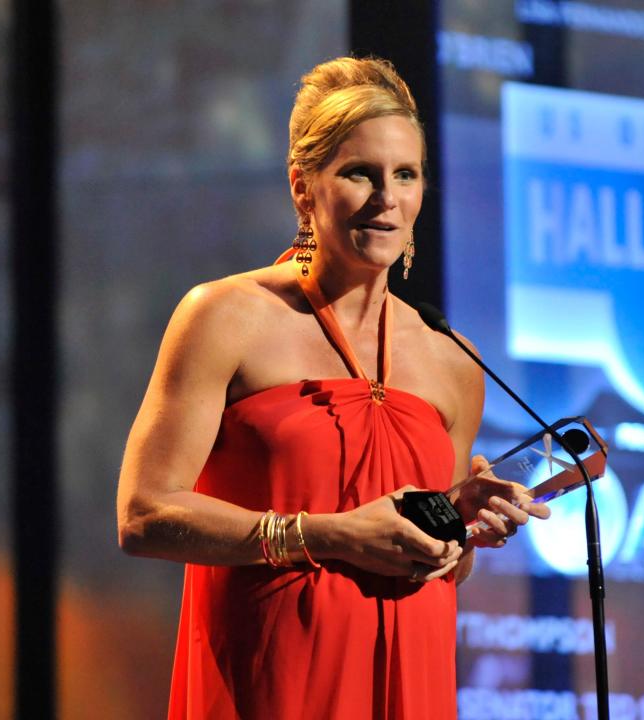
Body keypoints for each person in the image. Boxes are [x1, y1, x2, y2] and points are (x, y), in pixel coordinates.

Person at [116, 56, 550, 720]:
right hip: (271, 679)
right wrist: (327, 534)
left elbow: (442, 566)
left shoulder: (452, 358)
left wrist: (459, 524)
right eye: (360, 174)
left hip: (411, 680)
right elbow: (144, 515)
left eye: (406, 175)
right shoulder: (225, 316)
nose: (387, 199)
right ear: (302, 188)